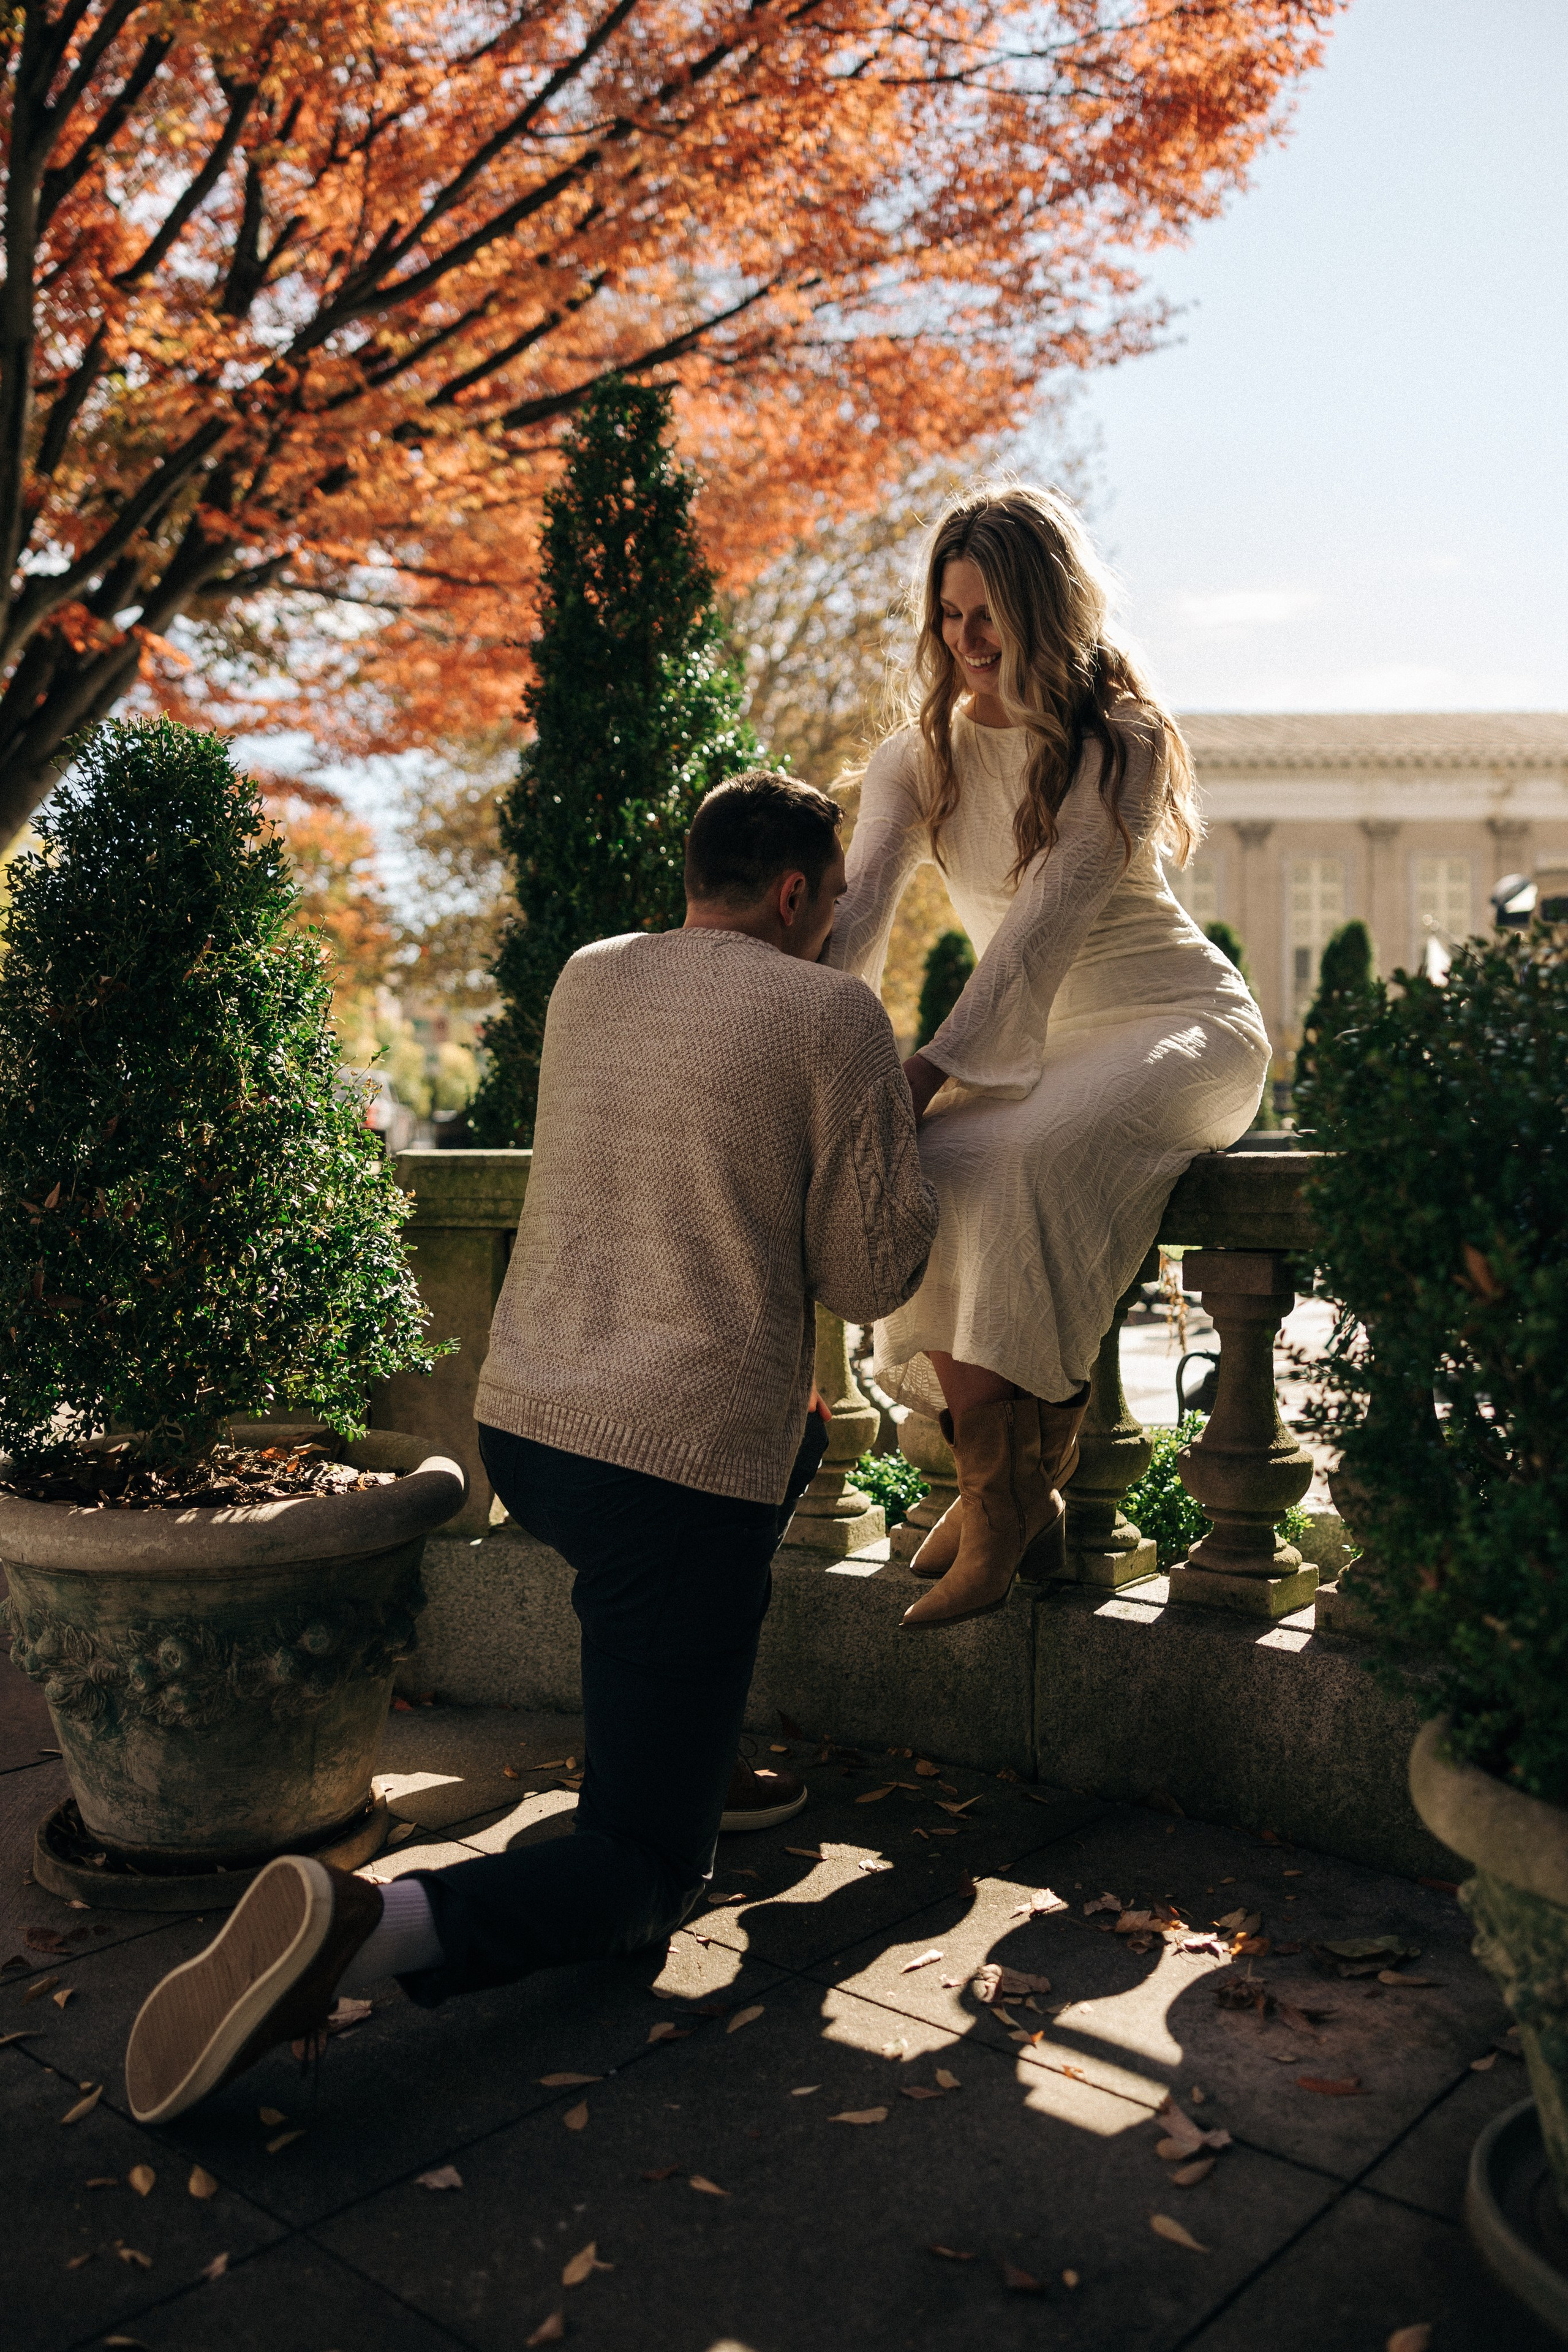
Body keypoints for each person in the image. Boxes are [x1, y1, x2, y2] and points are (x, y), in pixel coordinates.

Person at [123, 772, 938, 2125]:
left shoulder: (589, 974)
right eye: (830, 909)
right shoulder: (832, 1009)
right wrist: (905, 1129)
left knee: (754, 1482)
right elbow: (866, 1274)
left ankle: (680, 1734)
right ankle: (363, 1928)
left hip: (533, 1426)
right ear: (797, 895)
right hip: (668, 1459)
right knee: (640, 1875)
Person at [827, 483, 1271, 1632]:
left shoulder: (1118, 739)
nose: (966, 643)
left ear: (1044, 609)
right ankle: (1009, 1491)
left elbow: (1044, 925)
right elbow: (857, 918)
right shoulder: (915, 758)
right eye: (949, 616)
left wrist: (922, 1075)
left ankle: (1008, 1499)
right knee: (928, 1169)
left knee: (1003, 1158)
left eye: (989, 616)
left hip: (1178, 1026)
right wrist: (804, 1052)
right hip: (1034, 1046)